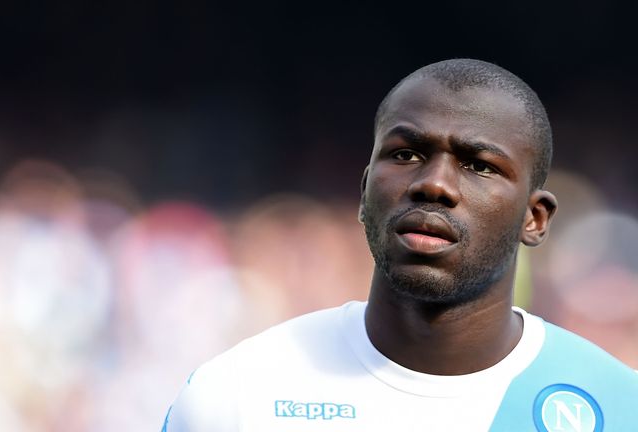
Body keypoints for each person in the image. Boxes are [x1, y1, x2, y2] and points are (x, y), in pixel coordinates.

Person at [161, 59, 638, 431]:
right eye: (406, 154)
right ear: (365, 189)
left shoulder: (616, 408)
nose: (434, 185)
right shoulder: (237, 394)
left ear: (534, 219)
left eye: (478, 165)